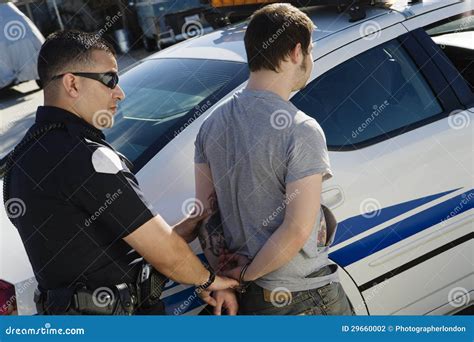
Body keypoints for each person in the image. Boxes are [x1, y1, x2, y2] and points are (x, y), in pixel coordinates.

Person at [2, 30, 237, 315]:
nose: (120, 92)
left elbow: (82, 245)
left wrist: (176, 234)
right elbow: (166, 254)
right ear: (72, 84)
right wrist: (211, 280)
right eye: (110, 79)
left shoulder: (21, 156)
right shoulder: (87, 157)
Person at [194, 3, 355, 315]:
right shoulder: (301, 129)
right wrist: (245, 273)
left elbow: (204, 214)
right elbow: (296, 229)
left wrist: (228, 278)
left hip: (249, 299)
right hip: (302, 297)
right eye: (310, 51)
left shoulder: (210, 125)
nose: (310, 60)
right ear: (296, 52)